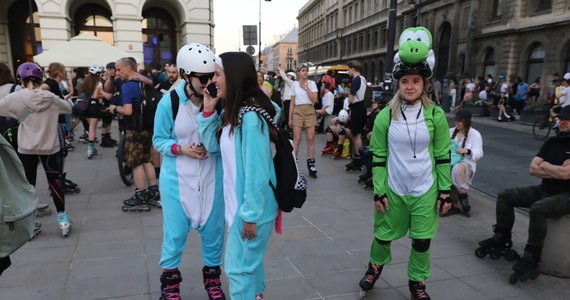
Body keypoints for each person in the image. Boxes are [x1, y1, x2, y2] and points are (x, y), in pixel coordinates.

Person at [358, 26, 451, 299]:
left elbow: (443, 155)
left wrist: (445, 191)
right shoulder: (386, 116)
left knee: (422, 242)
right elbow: (378, 156)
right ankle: (375, 267)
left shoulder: (436, 116)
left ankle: (417, 283)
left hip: (425, 189)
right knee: (384, 235)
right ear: (398, 84)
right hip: (394, 189)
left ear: (424, 84)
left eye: (416, 81)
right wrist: (379, 189)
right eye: (405, 81)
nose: (410, 86)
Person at [198, 51, 279, 300]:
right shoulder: (233, 112)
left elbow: (257, 171)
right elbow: (212, 147)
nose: (213, 80)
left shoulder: (251, 117)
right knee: (248, 267)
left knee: (238, 270)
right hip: (240, 209)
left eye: (218, 74)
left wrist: (250, 216)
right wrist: (209, 111)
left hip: (251, 211)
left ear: (233, 77)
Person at [152, 43, 226, 300]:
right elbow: (158, 140)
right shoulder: (169, 103)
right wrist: (182, 149)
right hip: (177, 180)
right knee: (174, 234)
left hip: (211, 178)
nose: (208, 83)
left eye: (212, 76)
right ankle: (170, 287)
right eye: (202, 78)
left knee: (214, 233)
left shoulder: (219, 102)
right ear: (185, 75)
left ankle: (213, 283)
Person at [477, 105, 570, 281]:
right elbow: (533, 169)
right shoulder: (552, 142)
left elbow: (566, 175)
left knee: (538, 209)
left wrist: (545, 166)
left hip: (566, 196)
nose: (563, 121)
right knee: (506, 195)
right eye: (561, 118)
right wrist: (554, 169)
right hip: (545, 189)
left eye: (567, 119)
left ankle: (532, 256)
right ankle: (501, 237)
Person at [0, 62, 74, 237]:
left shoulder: (15, 98)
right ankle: (63, 220)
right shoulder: (50, 97)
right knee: (55, 182)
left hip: (26, 148)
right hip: (50, 147)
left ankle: (31, 223)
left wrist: (19, 115)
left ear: (20, 79)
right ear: (40, 78)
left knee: (28, 186)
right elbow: (68, 107)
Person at [108, 57, 159, 211]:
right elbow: (150, 83)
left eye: (118, 69)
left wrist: (115, 108)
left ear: (128, 68)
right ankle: (153, 190)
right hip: (146, 127)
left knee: (136, 162)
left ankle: (140, 194)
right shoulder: (142, 82)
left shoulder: (128, 86)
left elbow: (128, 110)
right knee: (146, 160)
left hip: (133, 128)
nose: (117, 73)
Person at [443, 109, 484, 217]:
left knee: (458, 168)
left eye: (460, 121)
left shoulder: (475, 135)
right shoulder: (450, 131)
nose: (457, 123)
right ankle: (451, 198)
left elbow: (479, 153)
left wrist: (467, 151)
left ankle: (463, 192)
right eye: (456, 120)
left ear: (466, 122)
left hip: (466, 165)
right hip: (449, 161)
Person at [288, 63, 319, 178]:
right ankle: (293, 164)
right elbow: (292, 103)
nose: (305, 72)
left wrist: (307, 89)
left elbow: (315, 99)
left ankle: (311, 163)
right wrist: (289, 118)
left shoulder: (312, 84)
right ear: (298, 73)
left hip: (310, 110)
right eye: (303, 70)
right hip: (298, 111)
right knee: (297, 139)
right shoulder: (294, 85)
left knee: (311, 138)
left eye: (306, 70)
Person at [344, 60, 369, 172]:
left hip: (356, 108)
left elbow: (351, 98)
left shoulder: (355, 80)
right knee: (355, 133)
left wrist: (349, 100)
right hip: (362, 107)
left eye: (348, 69)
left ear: (353, 69)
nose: (348, 71)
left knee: (356, 135)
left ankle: (358, 159)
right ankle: (357, 157)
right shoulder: (363, 79)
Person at [79, 65, 107, 158]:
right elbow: (95, 96)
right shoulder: (98, 83)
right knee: (92, 129)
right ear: (98, 73)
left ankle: (92, 147)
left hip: (84, 106)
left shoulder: (85, 82)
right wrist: (103, 95)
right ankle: (90, 149)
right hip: (94, 106)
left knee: (90, 127)